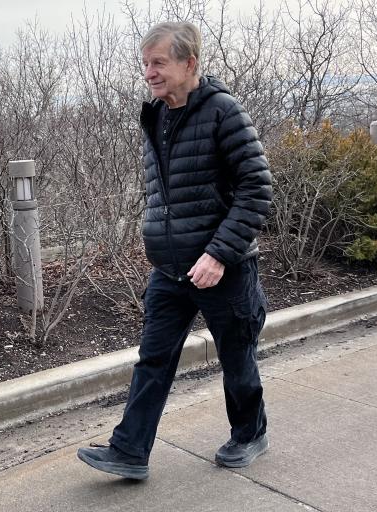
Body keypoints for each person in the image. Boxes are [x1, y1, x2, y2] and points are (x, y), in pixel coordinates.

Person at [77, 21, 273, 480]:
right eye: (145, 64)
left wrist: (220, 254)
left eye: (159, 62)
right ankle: (129, 451)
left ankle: (250, 433)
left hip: (223, 268)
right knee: (153, 358)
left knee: (236, 356)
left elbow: (256, 187)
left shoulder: (224, 112)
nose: (149, 72)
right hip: (169, 269)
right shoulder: (158, 117)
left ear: (190, 64)